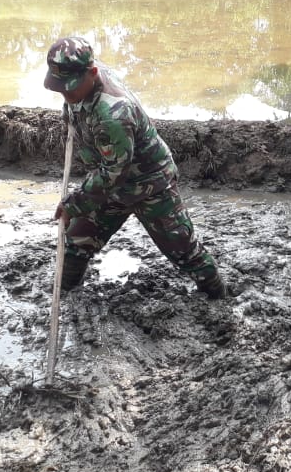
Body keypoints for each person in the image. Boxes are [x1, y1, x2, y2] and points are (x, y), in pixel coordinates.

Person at [44, 36, 227, 299]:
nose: (65, 95)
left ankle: (218, 297)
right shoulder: (83, 81)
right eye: (60, 87)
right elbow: (106, 172)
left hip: (150, 185)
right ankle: (66, 293)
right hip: (110, 185)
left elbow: (111, 175)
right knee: (75, 242)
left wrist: (73, 203)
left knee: (184, 251)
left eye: (69, 88)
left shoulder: (113, 114)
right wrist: (70, 110)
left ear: (93, 73)